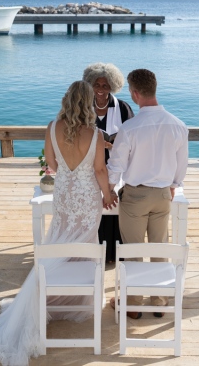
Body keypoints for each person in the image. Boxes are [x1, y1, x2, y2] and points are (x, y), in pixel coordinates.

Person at [0, 80, 117, 366]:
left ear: (66, 100)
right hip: (87, 197)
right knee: (84, 243)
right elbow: (100, 169)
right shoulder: (96, 134)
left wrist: (70, 175)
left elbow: (52, 162)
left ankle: (57, 295)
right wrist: (108, 194)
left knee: (59, 240)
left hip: (64, 193)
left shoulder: (51, 127)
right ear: (87, 103)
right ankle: (77, 300)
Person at [107, 69, 188, 319]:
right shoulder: (177, 125)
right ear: (154, 88)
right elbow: (181, 164)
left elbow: (116, 165)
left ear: (134, 93)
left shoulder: (130, 128)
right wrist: (173, 184)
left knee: (132, 250)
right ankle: (159, 300)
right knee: (159, 247)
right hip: (163, 194)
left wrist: (108, 189)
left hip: (135, 196)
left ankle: (132, 304)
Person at [82, 62, 134, 263]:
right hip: (91, 164)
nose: (101, 90)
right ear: (90, 85)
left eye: (105, 86)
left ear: (112, 86)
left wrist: (114, 146)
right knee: (96, 205)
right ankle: (96, 253)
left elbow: (132, 135)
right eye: (97, 85)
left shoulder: (122, 107)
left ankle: (113, 253)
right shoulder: (84, 107)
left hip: (116, 163)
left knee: (114, 204)